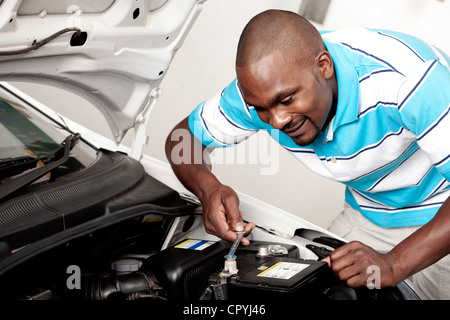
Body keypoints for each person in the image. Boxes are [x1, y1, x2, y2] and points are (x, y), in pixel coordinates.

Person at [165, 9, 450, 299]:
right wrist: (207, 188)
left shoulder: (410, 80)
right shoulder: (264, 90)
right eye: (261, 109)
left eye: (287, 100)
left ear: (324, 66)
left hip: (442, 212)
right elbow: (181, 139)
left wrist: (394, 263)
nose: (276, 121)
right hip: (368, 213)